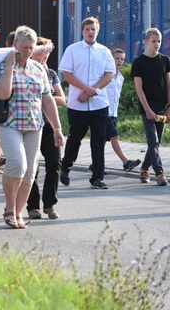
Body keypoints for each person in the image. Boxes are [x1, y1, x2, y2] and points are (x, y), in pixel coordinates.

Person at [0, 26, 64, 229]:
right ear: (15, 46)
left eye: (31, 48)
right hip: (9, 123)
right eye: (24, 47)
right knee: (17, 163)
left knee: (30, 170)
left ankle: (18, 212)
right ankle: (8, 208)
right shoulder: (2, 65)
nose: (28, 51)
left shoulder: (38, 68)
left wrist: (57, 128)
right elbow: (2, 94)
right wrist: (8, 66)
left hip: (34, 124)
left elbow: (47, 100)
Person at [58, 17, 116, 189]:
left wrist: (94, 90)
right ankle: (66, 166)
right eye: (88, 29)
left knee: (98, 139)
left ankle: (97, 177)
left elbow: (108, 75)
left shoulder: (104, 51)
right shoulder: (72, 50)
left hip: (99, 103)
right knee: (76, 137)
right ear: (82, 31)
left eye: (94, 29)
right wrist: (84, 89)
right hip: (78, 103)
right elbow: (67, 75)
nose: (91, 32)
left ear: (98, 31)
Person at [26, 38, 65, 220]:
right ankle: (32, 205)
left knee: (54, 162)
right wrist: (45, 98)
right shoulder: (26, 71)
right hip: (30, 124)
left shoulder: (50, 74)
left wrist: (43, 98)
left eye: (48, 52)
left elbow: (61, 99)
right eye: (42, 51)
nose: (45, 55)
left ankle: (49, 204)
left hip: (49, 125)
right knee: (31, 166)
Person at [131, 28, 170, 186]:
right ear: (146, 42)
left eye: (159, 41)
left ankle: (144, 169)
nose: (157, 44)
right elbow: (139, 89)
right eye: (153, 41)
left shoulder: (165, 60)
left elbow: (169, 85)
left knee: (157, 142)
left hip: (162, 106)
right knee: (152, 140)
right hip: (146, 106)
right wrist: (147, 110)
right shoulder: (139, 62)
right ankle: (160, 173)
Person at [88, 48, 141, 175]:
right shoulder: (105, 76)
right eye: (117, 58)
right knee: (114, 135)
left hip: (113, 113)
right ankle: (126, 162)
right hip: (104, 111)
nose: (119, 61)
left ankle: (95, 165)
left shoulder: (120, 77)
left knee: (104, 140)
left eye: (122, 59)